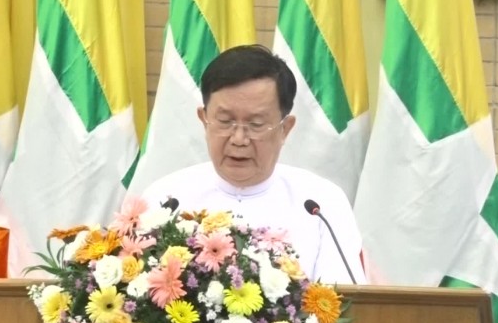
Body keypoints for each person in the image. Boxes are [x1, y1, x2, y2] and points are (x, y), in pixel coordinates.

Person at [142, 44, 366, 285]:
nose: (239, 139)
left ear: (285, 129)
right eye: (225, 121)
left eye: (256, 124)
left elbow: (347, 300)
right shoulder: (166, 199)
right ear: (204, 120)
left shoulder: (320, 204)